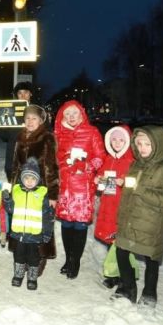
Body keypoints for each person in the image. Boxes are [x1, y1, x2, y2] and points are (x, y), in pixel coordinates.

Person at [112, 126, 163, 307]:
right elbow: (131, 189)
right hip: (130, 220)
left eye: (147, 144)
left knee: (151, 260)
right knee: (121, 252)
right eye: (139, 143)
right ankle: (128, 288)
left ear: (158, 145)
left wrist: (142, 190)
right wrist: (123, 184)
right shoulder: (135, 165)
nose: (142, 148)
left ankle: (149, 293)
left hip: (152, 224)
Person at [53, 100, 106, 279]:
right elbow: (52, 158)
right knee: (67, 224)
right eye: (67, 114)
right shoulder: (59, 134)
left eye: (74, 113)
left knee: (80, 225)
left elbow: (100, 157)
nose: (71, 117)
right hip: (65, 186)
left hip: (83, 187)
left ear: (81, 113)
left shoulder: (92, 132)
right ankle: (68, 260)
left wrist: (86, 166)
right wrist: (62, 165)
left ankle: (75, 262)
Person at [10, 104, 59, 276]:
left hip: (41, 189)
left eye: (34, 119)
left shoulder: (47, 138)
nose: (30, 122)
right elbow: (16, 165)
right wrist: (13, 187)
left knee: (40, 223)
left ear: (41, 120)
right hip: (21, 188)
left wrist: (52, 193)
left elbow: (51, 167)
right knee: (22, 221)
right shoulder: (20, 137)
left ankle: (39, 258)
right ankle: (21, 258)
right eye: (27, 119)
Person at [93, 124, 135, 288]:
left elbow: (136, 184)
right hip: (108, 205)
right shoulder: (109, 158)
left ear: (127, 141)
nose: (117, 143)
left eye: (121, 140)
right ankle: (114, 275)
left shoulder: (132, 162)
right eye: (114, 139)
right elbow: (101, 175)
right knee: (112, 242)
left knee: (121, 244)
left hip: (122, 207)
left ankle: (124, 275)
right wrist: (98, 180)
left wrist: (124, 182)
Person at [3, 158, 54, 290]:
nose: (29, 182)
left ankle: (32, 277)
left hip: (34, 234)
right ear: (22, 179)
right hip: (19, 233)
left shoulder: (42, 194)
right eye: (27, 178)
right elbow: (11, 210)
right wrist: (7, 199)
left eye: (33, 179)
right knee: (18, 255)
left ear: (37, 180)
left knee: (33, 257)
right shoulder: (17, 191)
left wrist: (47, 232)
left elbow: (47, 216)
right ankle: (18, 275)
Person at [1, 82, 34, 180]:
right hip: (13, 154)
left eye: (26, 92)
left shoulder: (38, 111)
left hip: (32, 154)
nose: (23, 95)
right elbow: (4, 136)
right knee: (13, 182)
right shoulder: (9, 111)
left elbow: (47, 133)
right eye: (20, 93)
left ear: (30, 94)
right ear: (17, 95)